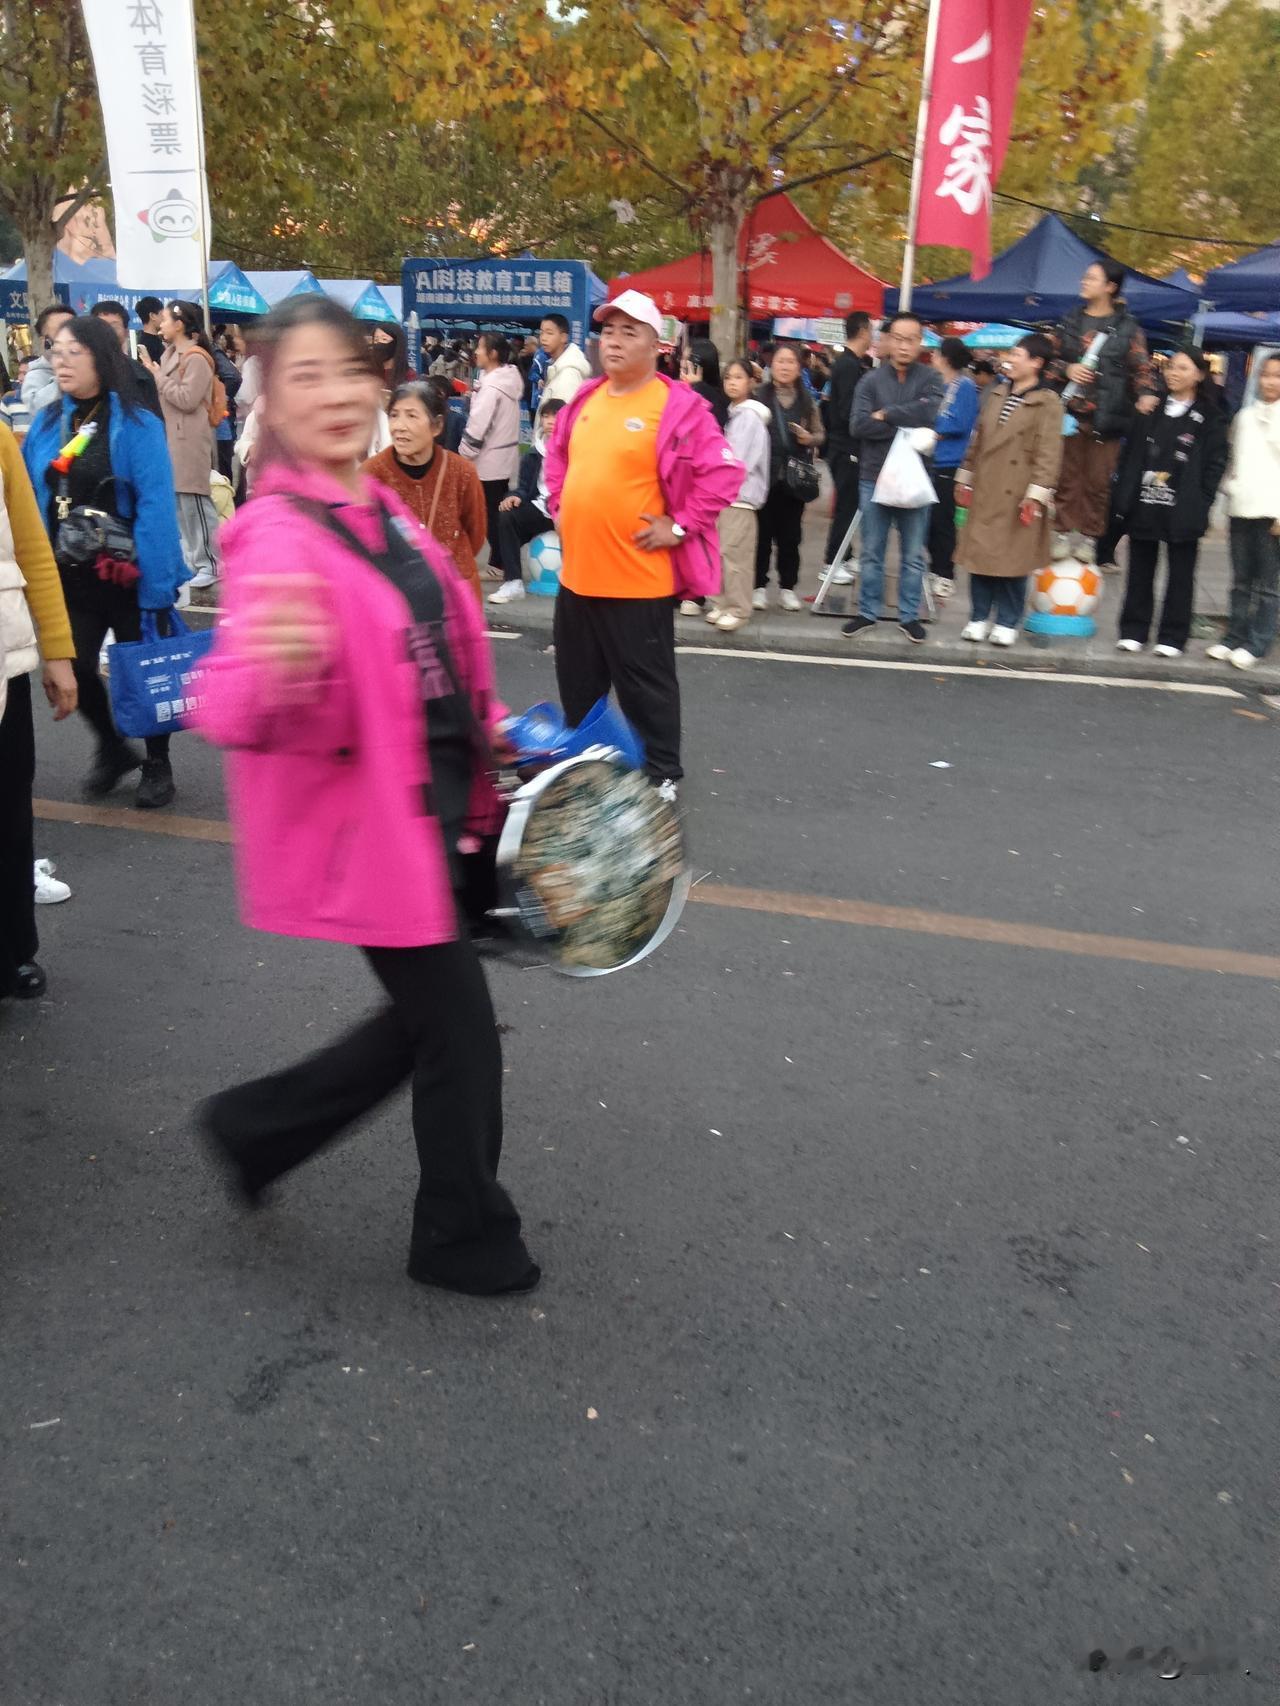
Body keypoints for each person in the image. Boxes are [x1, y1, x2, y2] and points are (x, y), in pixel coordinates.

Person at [192, 294, 539, 1298]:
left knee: (425, 1023)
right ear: (270, 400)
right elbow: (228, 701)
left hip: (450, 804)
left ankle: (256, 1129)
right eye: (306, 375)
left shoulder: (381, 508)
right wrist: (275, 663)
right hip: (376, 831)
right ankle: (460, 1234)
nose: (338, 393)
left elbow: (437, 648)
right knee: (458, 1032)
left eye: (350, 370)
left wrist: (498, 730)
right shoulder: (271, 534)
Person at [543, 289, 743, 795]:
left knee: (646, 689)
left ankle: (661, 777)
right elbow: (557, 457)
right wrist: (560, 507)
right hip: (578, 579)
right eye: (608, 331)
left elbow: (723, 474)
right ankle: (589, 771)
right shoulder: (586, 398)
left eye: (628, 332)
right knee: (579, 689)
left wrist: (678, 526)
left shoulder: (678, 406)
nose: (612, 341)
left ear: (657, 346)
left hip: (638, 582)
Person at [23, 314, 188, 808]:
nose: (61, 361)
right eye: (56, 351)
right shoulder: (48, 423)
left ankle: (158, 762)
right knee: (70, 664)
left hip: (128, 574)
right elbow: (31, 499)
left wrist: (157, 585)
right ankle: (113, 747)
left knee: (145, 670)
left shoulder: (136, 424)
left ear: (100, 358)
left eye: (74, 352)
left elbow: (156, 504)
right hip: (70, 575)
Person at [0, 412, 78, 999]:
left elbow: (31, 547)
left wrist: (57, 651)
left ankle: (11, 952)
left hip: (3, 664)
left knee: (8, 815)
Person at [1112, 347, 1228, 659]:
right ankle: (1133, 630)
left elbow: (1216, 463)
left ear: (1199, 375)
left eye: (1183, 368)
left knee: (1181, 573)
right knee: (1139, 568)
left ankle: (1173, 636)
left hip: (1184, 505)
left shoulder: (1211, 416)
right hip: (1145, 501)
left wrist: (1202, 500)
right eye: (1171, 367)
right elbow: (1129, 455)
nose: (1174, 373)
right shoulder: (1150, 408)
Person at [954, 333, 1064, 647]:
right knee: (979, 557)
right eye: (1011, 354)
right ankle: (978, 617)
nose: (1010, 359)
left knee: (1014, 562)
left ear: (1036, 363)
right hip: (986, 486)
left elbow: (1049, 453)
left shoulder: (1048, 402)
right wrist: (965, 477)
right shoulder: (997, 392)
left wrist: (1036, 495)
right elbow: (978, 439)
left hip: (1018, 493)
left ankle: (1007, 620)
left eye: (1018, 354)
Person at [843, 312, 945, 643]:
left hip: (916, 478)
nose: (903, 346)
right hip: (874, 475)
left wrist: (886, 414)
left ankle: (909, 615)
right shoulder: (870, 381)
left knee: (913, 554)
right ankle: (867, 612)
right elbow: (858, 425)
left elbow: (930, 411)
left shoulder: (931, 378)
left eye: (911, 339)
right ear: (886, 341)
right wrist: (907, 423)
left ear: (920, 343)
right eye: (898, 338)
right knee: (871, 551)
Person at [1050, 260, 1159, 562]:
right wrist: (1067, 368)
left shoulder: (1128, 328)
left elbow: (1141, 367)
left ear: (1110, 287)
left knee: (1099, 480)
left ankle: (1089, 537)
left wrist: (1146, 393)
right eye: (1085, 277)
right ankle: (1061, 532)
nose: (1084, 281)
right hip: (1069, 413)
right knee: (1065, 476)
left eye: (1092, 278)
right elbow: (1048, 359)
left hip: (1108, 415)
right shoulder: (1069, 321)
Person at [362, 378, 488, 604]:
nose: (399, 426)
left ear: (437, 426)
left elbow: (476, 535)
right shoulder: (371, 475)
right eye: (394, 415)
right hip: (397, 599)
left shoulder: (462, 473)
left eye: (411, 416)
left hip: (456, 597)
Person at [1206, 352, 1280, 670]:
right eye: (1266, 374)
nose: (1270, 382)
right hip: (1241, 507)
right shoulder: (1245, 417)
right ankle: (1233, 636)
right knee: (1240, 580)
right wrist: (1231, 491)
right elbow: (1234, 460)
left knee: (1267, 585)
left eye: (1277, 376)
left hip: (1271, 512)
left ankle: (1258, 642)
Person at [140, 299, 220, 590]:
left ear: (179, 324)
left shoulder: (195, 358)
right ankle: (197, 561)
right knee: (182, 502)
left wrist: (157, 375)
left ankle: (211, 562)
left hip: (190, 436)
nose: (160, 325)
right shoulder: (171, 354)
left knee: (195, 499)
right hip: (175, 436)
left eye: (164, 319)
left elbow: (187, 399)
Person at [752, 342, 824, 613]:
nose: (784, 366)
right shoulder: (758, 396)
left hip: (794, 479)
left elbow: (820, 434)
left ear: (798, 367)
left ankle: (787, 588)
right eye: (780, 361)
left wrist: (809, 438)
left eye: (790, 362)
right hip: (764, 477)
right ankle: (758, 587)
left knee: (790, 537)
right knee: (761, 536)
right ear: (772, 365)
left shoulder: (807, 401)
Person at [706, 358, 770, 633]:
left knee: (734, 556)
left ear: (751, 382)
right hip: (725, 496)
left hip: (739, 497)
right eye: (728, 377)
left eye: (739, 377)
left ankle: (738, 609)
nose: (732, 383)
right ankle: (722, 603)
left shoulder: (749, 417)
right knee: (721, 553)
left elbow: (737, 460)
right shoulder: (735, 414)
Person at [488, 398, 565, 606]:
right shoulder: (534, 453)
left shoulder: (575, 451)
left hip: (567, 511)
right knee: (507, 516)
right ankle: (513, 582)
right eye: (545, 416)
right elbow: (524, 487)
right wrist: (515, 496)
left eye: (555, 416)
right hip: (541, 508)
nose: (550, 421)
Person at [459, 332, 523, 577]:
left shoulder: (492, 386)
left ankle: (499, 563)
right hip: (501, 457)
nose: (476, 351)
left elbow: (478, 424)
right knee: (494, 512)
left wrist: (464, 453)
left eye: (480, 347)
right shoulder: (504, 379)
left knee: (489, 515)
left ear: (493, 354)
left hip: (488, 460)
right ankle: (500, 561)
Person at [927, 337, 981, 601]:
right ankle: (933, 567)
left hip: (950, 462)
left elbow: (961, 422)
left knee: (943, 520)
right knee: (926, 519)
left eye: (936, 353)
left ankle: (945, 573)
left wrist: (933, 428)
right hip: (929, 459)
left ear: (945, 358)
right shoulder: (936, 384)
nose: (932, 357)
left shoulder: (965, 386)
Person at [822, 311, 874, 582]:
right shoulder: (848, 366)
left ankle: (846, 554)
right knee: (847, 505)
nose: (873, 335)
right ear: (863, 331)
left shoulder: (850, 363)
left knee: (850, 504)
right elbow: (846, 411)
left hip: (843, 445)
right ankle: (831, 562)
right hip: (846, 447)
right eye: (872, 330)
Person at [89, 301, 162, 415]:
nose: (107, 331)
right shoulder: (79, 372)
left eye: (114, 326)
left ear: (126, 332)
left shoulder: (141, 376)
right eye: (101, 326)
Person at [22, 305, 75, 417]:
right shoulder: (35, 376)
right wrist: (63, 378)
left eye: (74, 329)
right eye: (61, 331)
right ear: (45, 341)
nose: (70, 336)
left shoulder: (89, 367)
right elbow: (35, 409)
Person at [537, 315, 590, 411]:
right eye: (541, 333)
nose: (543, 338)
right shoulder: (557, 367)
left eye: (549, 333)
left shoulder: (569, 374)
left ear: (564, 337)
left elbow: (565, 415)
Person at [371, 321, 414, 401]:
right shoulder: (369, 372)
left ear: (396, 343)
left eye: (384, 339)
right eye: (376, 340)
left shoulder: (409, 375)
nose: (379, 343)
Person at [1, 357, 32, 436]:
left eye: (25, 374)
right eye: (19, 373)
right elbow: (3, 435)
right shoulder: (9, 400)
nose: (20, 378)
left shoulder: (52, 400)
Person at [134, 297, 166, 364]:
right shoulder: (148, 345)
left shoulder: (148, 340)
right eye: (162, 315)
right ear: (152, 316)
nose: (164, 319)